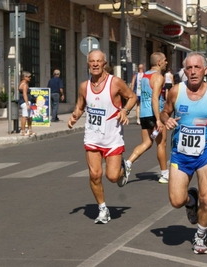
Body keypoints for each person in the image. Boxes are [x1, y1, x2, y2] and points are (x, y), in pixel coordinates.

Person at [160, 51, 207, 255]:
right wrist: (166, 119)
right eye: (189, 68)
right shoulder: (175, 91)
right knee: (176, 201)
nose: (193, 72)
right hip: (181, 153)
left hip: (206, 152)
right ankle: (190, 201)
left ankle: (200, 236)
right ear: (184, 71)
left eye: (197, 67)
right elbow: (165, 111)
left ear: (205, 70)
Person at [68, 49, 137, 224]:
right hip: (92, 137)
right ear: (88, 64)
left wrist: (125, 110)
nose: (95, 64)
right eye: (92, 61)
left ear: (105, 64)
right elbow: (80, 105)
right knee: (95, 174)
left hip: (112, 138)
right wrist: (74, 117)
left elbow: (132, 97)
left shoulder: (115, 83)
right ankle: (103, 209)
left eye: (99, 61)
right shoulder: (84, 86)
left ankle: (123, 168)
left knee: (112, 177)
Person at [124, 52, 169, 184]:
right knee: (161, 144)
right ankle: (164, 174)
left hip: (144, 114)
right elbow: (155, 99)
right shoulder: (158, 77)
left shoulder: (144, 76)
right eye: (165, 60)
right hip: (155, 114)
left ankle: (128, 163)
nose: (166, 62)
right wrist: (159, 120)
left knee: (147, 143)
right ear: (159, 62)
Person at [18, 71, 36, 136]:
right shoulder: (24, 85)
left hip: (26, 102)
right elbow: (25, 95)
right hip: (25, 102)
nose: (30, 78)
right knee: (25, 116)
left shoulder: (22, 83)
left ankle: (30, 130)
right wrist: (27, 104)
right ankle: (23, 131)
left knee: (29, 116)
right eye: (29, 77)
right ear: (24, 77)